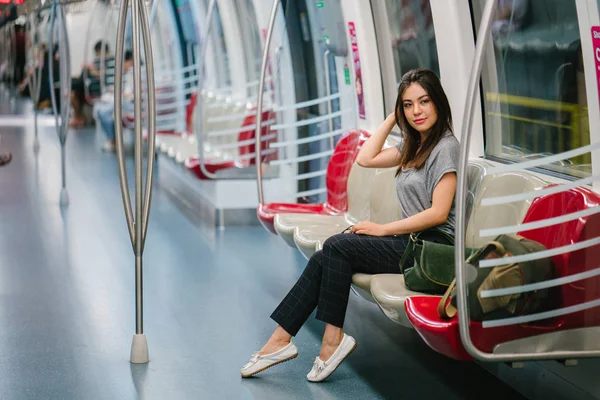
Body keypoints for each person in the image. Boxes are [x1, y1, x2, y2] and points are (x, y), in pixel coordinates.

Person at [241, 69, 459, 382]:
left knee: (337, 247)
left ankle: (326, 342)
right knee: (327, 254)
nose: (417, 111)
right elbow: (365, 159)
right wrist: (391, 119)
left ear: (439, 103)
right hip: (410, 243)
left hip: (431, 250)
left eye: (424, 102)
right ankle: (282, 340)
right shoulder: (415, 147)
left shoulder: (446, 147)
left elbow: (439, 213)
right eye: (408, 105)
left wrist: (384, 229)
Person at [94, 50, 133, 152]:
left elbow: (131, 94)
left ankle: (113, 140)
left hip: (129, 105)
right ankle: (113, 139)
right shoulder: (127, 73)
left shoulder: (134, 74)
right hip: (125, 102)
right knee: (101, 110)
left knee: (103, 112)